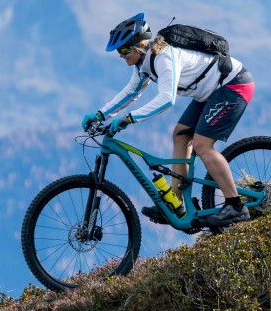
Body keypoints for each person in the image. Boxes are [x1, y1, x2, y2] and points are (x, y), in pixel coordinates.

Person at [81, 13, 255, 227]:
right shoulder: (143, 64)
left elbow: (167, 98)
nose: (120, 55)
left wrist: (129, 118)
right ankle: (175, 202)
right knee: (180, 135)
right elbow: (130, 93)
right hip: (209, 92)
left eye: (124, 50)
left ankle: (235, 205)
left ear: (138, 46)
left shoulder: (163, 56)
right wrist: (101, 114)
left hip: (232, 85)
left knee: (202, 145)